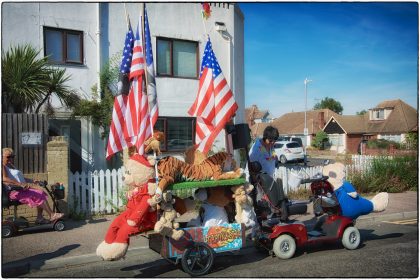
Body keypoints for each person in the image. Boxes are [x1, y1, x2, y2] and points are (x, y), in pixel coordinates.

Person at [2, 148, 63, 224]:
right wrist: (20, 184)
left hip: (21, 189)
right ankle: (52, 214)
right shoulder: (2, 166)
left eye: (12, 156)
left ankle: (40, 218)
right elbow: (4, 179)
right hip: (14, 191)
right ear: (1, 156)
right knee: (38, 193)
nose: (10, 158)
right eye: (8, 157)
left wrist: (33, 181)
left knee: (41, 192)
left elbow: (21, 178)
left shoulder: (10, 165)